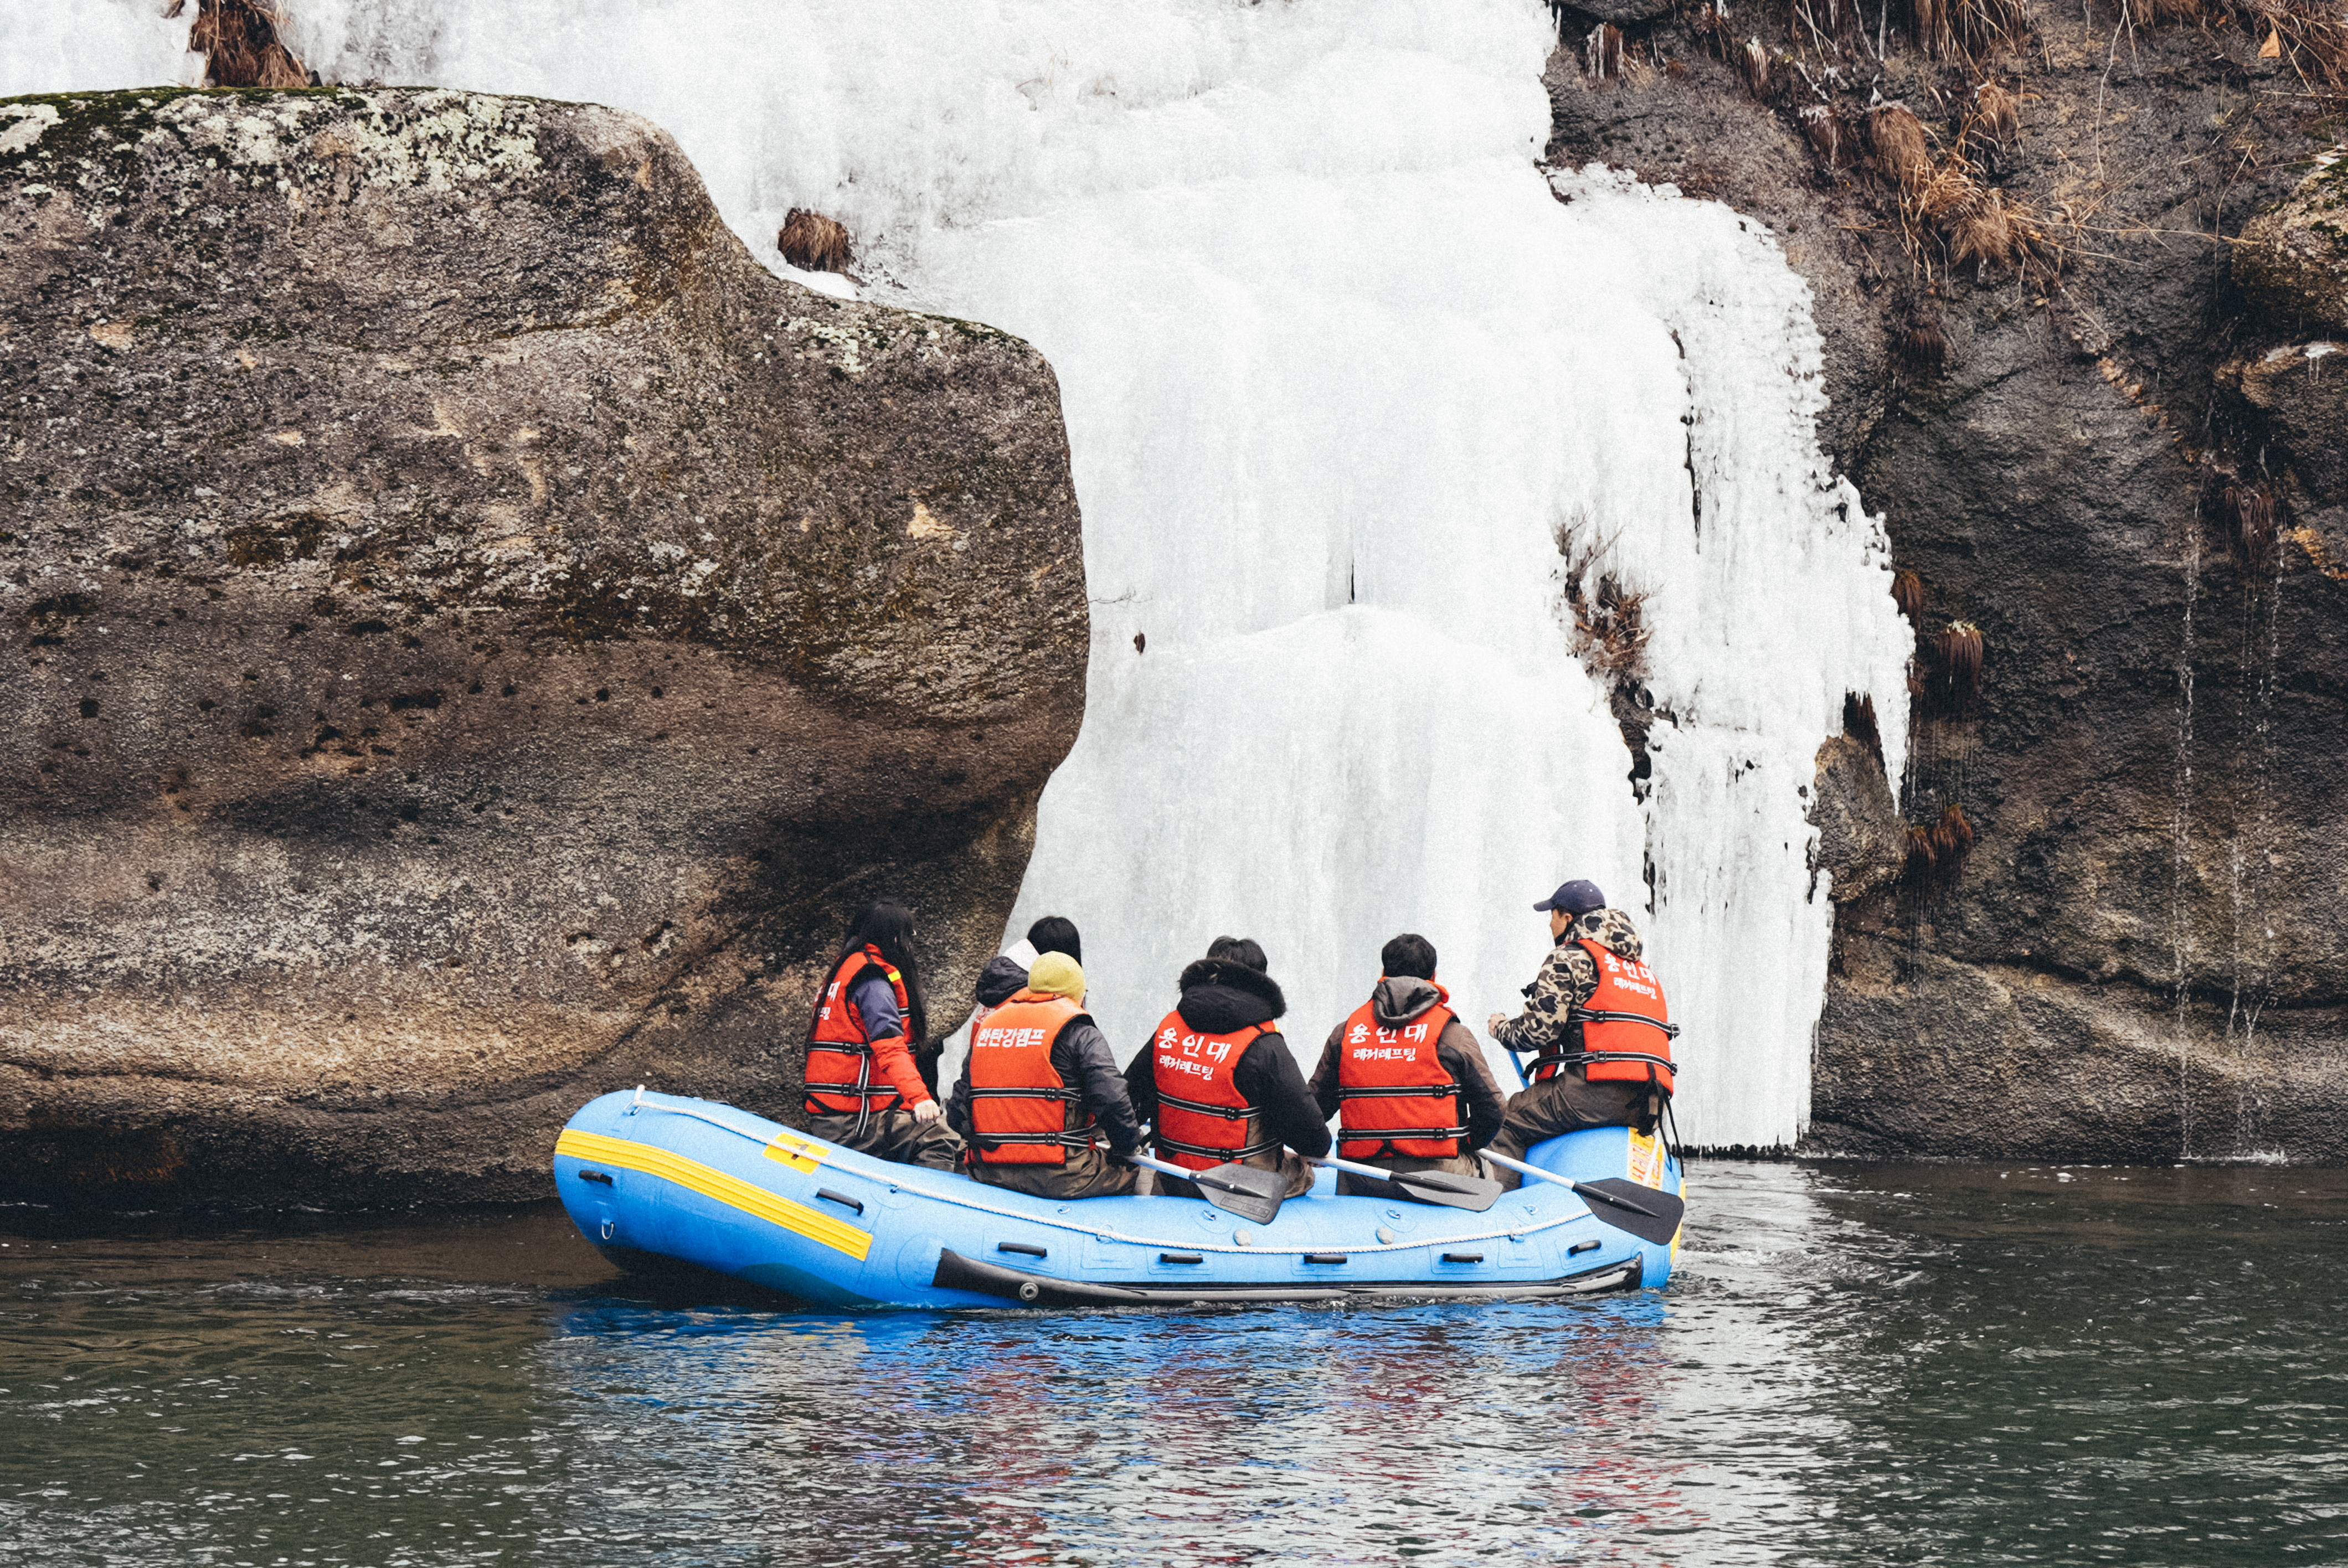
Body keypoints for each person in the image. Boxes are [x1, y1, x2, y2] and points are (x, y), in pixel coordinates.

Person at [1484, 880, 1677, 1189]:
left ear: (1568, 918)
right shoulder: (1640, 969)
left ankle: (1494, 1209)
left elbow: (1538, 1031)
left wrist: (1501, 1028)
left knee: (1508, 1120)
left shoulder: (1568, 957)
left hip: (1596, 1093)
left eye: (1553, 915)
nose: (1549, 923)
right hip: (1650, 1103)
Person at [1125, 936, 1330, 1200]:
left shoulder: (1168, 1031)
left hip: (1173, 1177)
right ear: (1260, 982)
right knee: (1303, 1173)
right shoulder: (1264, 1043)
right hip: (1238, 1188)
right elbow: (1314, 1139)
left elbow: (1128, 1099)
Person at [1309, 933, 1506, 1200]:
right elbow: (1494, 1108)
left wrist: (1310, 1149)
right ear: (1433, 977)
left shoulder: (1345, 1034)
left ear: (1383, 973)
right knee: (1488, 1172)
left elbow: (1315, 1109)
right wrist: (1464, 1143)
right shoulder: (1454, 1036)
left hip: (1363, 1176)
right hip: (1438, 1177)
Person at [946, 952, 1141, 1198]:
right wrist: (1126, 1148)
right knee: (1135, 1168)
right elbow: (1113, 1099)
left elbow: (956, 1112)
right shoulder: (1080, 1031)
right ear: (1077, 992)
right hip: (1062, 1176)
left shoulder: (989, 1027)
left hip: (988, 1171)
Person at [801, 901, 964, 1171]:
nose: (910, 945)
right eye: (909, 936)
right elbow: (890, 1048)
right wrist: (920, 1098)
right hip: (852, 1124)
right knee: (938, 1138)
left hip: (831, 1115)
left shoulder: (842, 973)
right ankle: (921, 1209)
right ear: (896, 937)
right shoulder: (873, 982)